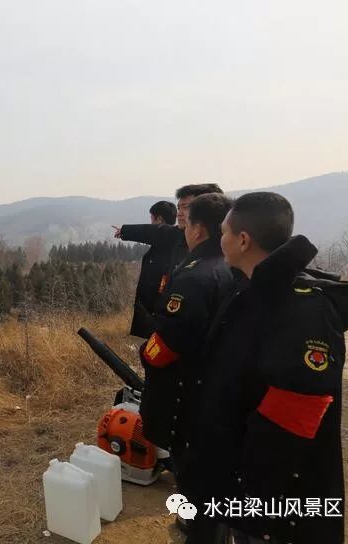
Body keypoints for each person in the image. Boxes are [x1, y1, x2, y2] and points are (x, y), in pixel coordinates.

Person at [187, 192, 348, 544]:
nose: (219, 238)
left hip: (274, 504)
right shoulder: (251, 292)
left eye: (224, 231)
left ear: (243, 240)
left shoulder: (302, 311)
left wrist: (245, 498)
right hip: (237, 484)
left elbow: (290, 422)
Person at [137, 194, 235, 496]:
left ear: (199, 230)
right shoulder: (228, 266)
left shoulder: (194, 276)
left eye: (187, 223)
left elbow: (170, 341)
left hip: (186, 391)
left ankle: (197, 522)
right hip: (215, 385)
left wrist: (145, 353)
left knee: (190, 467)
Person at [114, 183, 223, 338]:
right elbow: (152, 231)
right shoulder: (177, 236)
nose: (180, 213)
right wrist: (125, 231)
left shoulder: (219, 263)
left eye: (186, 207)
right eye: (179, 208)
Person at [121, 201, 178, 338]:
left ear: (160, 219)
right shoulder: (165, 244)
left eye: (152, 219)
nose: (151, 223)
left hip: (155, 316)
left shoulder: (166, 247)